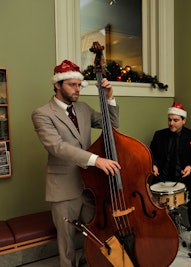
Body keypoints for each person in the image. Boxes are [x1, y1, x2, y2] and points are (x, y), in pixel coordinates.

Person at [31, 60, 121, 267]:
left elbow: (112, 125)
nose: (77, 89)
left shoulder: (83, 109)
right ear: (57, 84)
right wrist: (95, 160)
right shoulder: (42, 114)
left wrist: (109, 98)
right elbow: (57, 147)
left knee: (94, 232)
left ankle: (88, 261)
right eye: (72, 85)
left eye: (79, 85)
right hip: (63, 187)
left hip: (90, 186)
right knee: (67, 242)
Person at [149, 102, 191, 257]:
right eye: (169, 120)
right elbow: (151, 154)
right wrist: (153, 164)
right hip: (163, 177)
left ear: (184, 120)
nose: (171, 123)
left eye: (175, 120)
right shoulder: (159, 135)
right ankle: (158, 236)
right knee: (148, 201)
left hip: (185, 178)